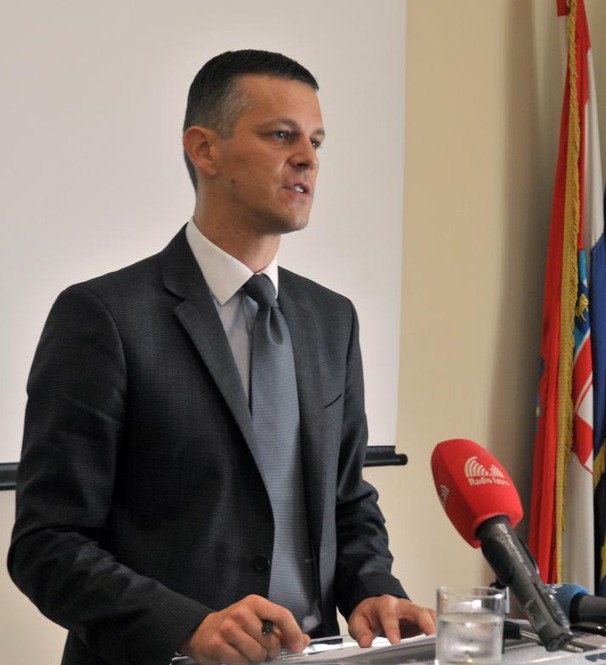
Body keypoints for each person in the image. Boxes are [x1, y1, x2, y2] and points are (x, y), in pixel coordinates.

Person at [7, 49, 434, 665]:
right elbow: (47, 544)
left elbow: (346, 502)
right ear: (204, 150)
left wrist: (372, 589)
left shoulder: (331, 319)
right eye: (281, 135)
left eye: (316, 141)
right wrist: (187, 627)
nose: (308, 159)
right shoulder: (103, 316)